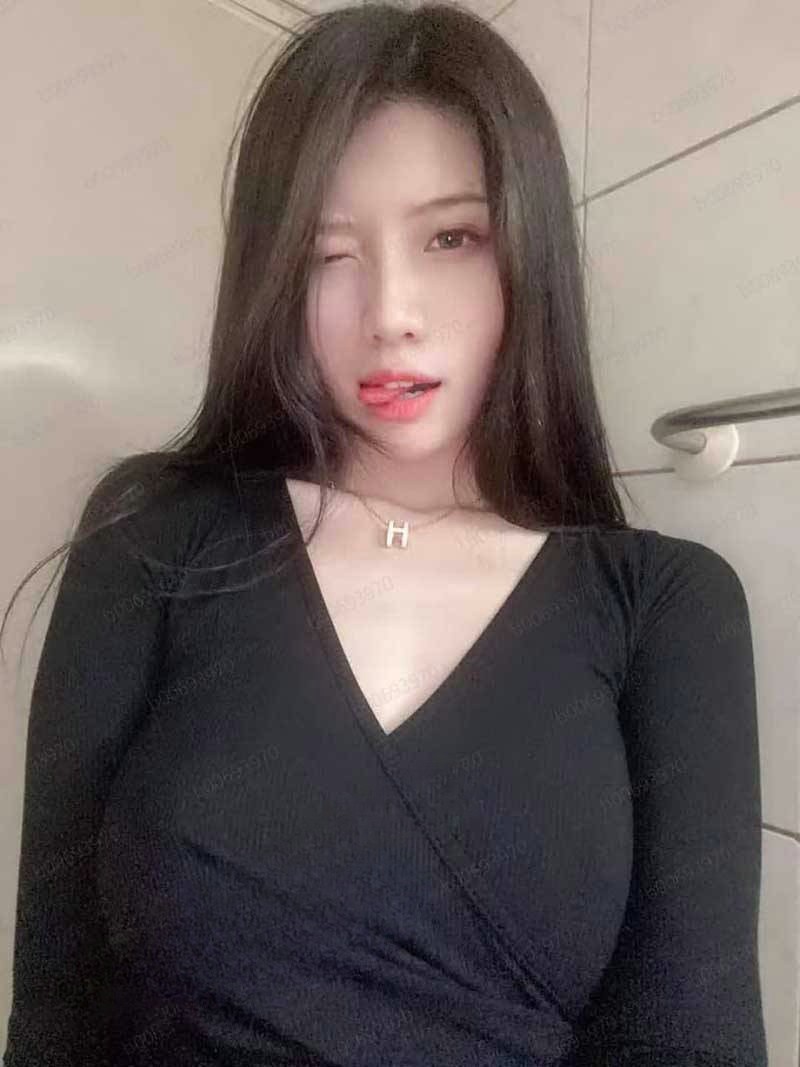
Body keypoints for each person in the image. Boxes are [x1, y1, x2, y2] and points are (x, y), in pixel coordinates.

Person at [2, 2, 768, 1064]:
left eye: (452, 237)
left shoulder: (663, 605)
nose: (389, 312)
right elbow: (54, 1012)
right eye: (327, 253)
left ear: (528, 251)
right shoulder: (156, 536)